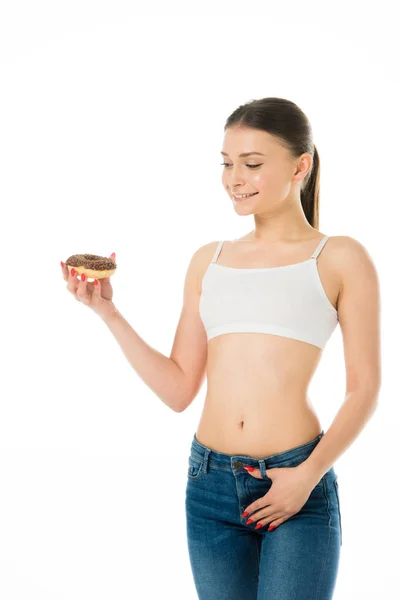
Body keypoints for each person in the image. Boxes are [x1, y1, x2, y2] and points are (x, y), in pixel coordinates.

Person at [60, 97, 381, 599]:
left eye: (252, 164)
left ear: (301, 165)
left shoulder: (338, 257)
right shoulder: (209, 260)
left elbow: (365, 389)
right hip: (208, 486)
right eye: (227, 163)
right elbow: (179, 389)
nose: (235, 178)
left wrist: (307, 476)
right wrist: (108, 313)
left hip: (296, 479)